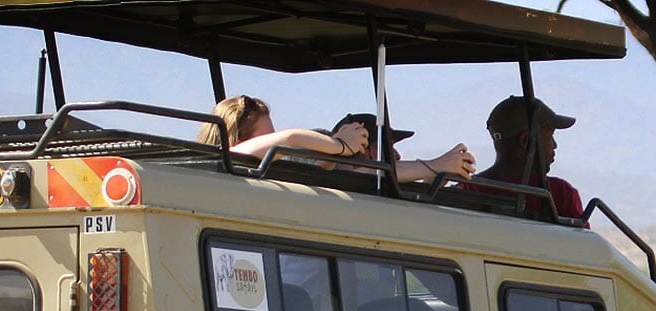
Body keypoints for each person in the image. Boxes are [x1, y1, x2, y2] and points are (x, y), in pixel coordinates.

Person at [471, 95, 584, 221]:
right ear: (525, 140)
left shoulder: (468, 188)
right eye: (550, 136)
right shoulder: (560, 193)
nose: (555, 145)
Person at [196, 95, 367, 160]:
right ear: (239, 138)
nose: (272, 140)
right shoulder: (225, 160)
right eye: (267, 137)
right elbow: (290, 138)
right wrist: (341, 145)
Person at [333, 112, 475, 184]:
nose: (397, 155)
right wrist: (438, 165)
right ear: (364, 150)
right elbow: (368, 173)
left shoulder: (378, 185)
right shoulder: (337, 178)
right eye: (387, 147)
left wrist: (434, 179)